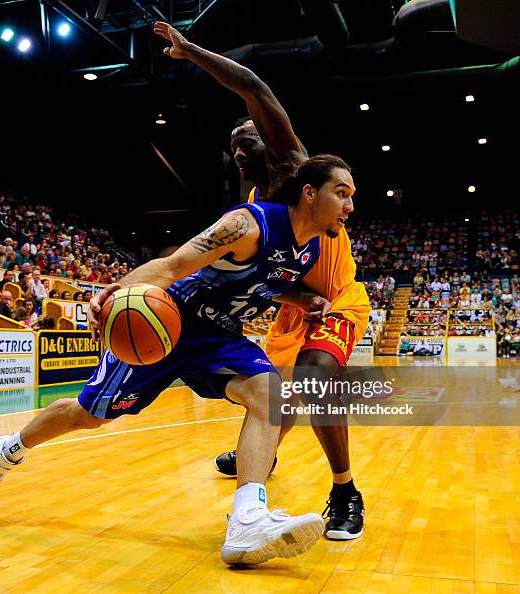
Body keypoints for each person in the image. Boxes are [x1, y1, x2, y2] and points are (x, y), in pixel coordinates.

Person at [0, 155, 354, 566]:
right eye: (341, 194)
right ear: (309, 193)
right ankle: (5, 452)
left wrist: (302, 297)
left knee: (271, 396)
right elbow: (171, 266)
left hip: (219, 336)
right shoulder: (248, 224)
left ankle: (247, 521)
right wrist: (111, 292)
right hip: (168, 324)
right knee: (89, 414)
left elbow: (269, 284)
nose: (349, 206)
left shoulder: (310, 248)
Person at [154, 21, 369, 539]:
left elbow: (254, 88)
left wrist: (191, 52)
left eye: (247, 132)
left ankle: (345, 491)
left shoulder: (294, 169)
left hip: (337, 300)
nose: (240, 142)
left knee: (317, 377)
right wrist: (289, 294)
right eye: (233, 142)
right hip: (295, 305)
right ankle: (263, 455)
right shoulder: (251, 210)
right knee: (276, 397)